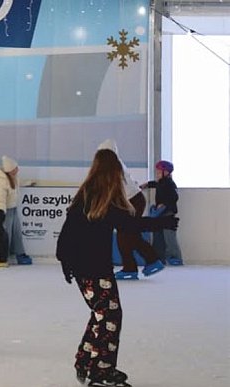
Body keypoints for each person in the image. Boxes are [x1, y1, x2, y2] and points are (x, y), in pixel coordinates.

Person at [56, 149, 178, 387]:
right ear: (114, 172)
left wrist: (66, 262)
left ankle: (85, 361)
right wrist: (160, 223)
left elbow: (67, 232)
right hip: (96, 269)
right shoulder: (104, 198)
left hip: (84, 269)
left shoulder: (86, 194)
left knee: (101, 314)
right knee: (110, 316)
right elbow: (128, 224)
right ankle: (101, 370)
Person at [97, 140, 165, 280]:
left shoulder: (113, 167)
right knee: (129, 234)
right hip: (133, 200)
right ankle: (149, 261)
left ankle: (133, 267)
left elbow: (112, 190)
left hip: (132, 201)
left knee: (125, 235)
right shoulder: (115, 165)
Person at [141, 160, 183, 265]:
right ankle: (159, 258)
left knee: (169, 238)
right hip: (160, 215)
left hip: (168, 214)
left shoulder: (170, 183)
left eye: (159, 172)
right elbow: (155, 184)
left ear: (166, 173)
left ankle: (175, 258)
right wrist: (146, 185)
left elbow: (174, 197)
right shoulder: (161, 183)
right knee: (158, 237)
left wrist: (164, 204)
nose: (157, 174)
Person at [0, 155, 32, 264]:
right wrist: (1, 212)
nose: (17, 170)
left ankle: (20, 253)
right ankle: (4, 255)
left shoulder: (14, 178)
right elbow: (0, 199)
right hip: (6, 211)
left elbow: (20, 183)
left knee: (17, 232)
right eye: (15, 168)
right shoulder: (2, 182)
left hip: (13, 209)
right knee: (7, 233)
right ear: (10, 170)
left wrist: (29, 183)